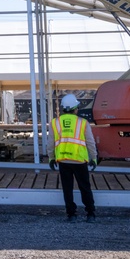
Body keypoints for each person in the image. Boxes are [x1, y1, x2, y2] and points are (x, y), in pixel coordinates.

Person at [49, 94, 98, 222]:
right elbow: (90, 142)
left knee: (67, 189)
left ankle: (71, 215)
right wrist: (94, 158)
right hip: (80, 161)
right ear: (75, 108)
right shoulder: (83, 123)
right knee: (85, 187)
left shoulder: (55, 123)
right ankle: (90, 214)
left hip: (63, 161)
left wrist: (51, 158)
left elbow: (51, 143)